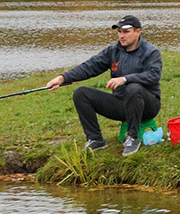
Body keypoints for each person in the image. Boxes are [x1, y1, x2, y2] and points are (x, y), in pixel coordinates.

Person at [45, 15, 162, 157]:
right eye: (119, 32)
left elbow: (153, 75)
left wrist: (125, 79)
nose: (121, 36)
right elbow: (90, 67)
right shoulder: (113, 51)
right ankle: (95, 139)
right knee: (81, 93)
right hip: (121, 105)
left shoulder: (151, 52)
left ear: (138, 32)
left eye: (126, 32)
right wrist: (62, 78)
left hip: (147, 105)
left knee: (133, 88)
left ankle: (132, 137)